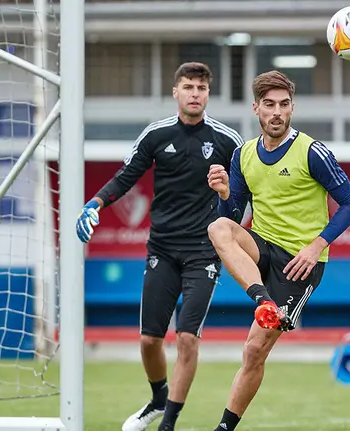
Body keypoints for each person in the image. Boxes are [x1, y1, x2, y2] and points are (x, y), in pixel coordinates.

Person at [75, 62, 243, 431]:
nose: (195, 93)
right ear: (176, 92)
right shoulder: (156, 134)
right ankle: (157, 398)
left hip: (204, 250)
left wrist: (227, 191)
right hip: (162, 249)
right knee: (150, 340)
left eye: (201, 87)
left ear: (208, 94)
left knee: (186, 338)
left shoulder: (227, 140)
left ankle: (168, 423)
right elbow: (126, 176)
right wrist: (95, 204)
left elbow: (245, 198)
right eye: (188, 86)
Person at [206, 70, 350, 431]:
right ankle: (263, 301)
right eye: (270, 105)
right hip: (262, 249)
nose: (277, 112)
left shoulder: (313, 152)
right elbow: (231, 218)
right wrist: (225, 193)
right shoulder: (243, 154)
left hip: (298, 264)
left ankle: (224, 428)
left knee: (253, 351)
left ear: (292, 108)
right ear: (257, 108)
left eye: (284, 105)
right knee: (217, 227)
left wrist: (316, 246)